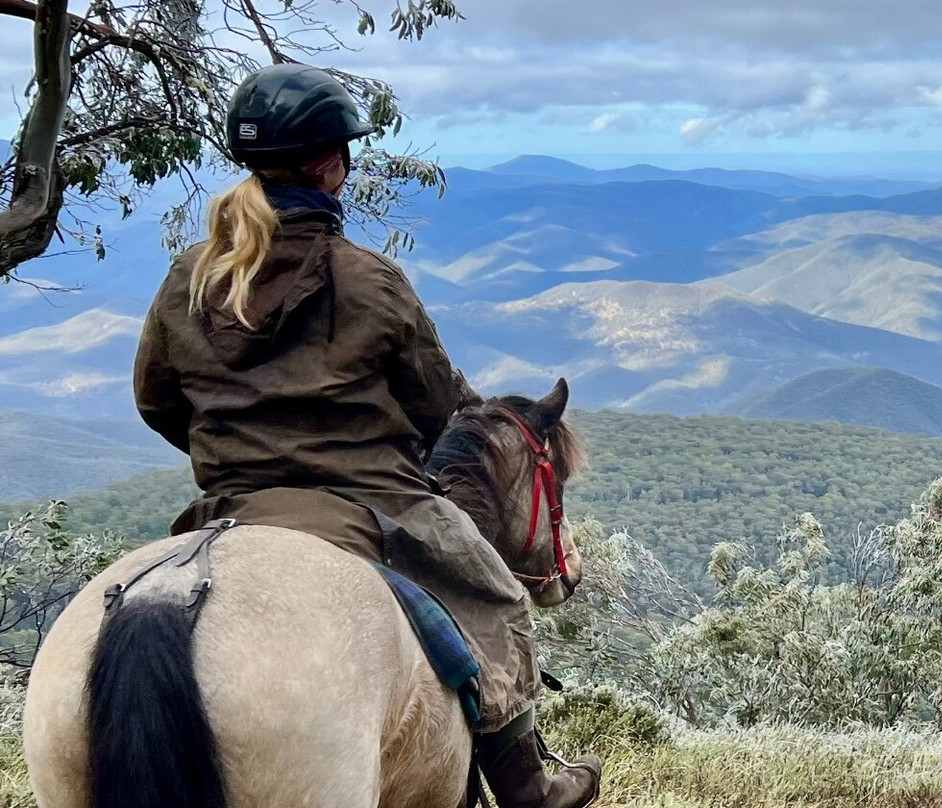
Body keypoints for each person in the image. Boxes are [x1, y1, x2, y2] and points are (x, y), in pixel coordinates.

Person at [133, 63, 601, 808]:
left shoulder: (190, 276)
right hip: (371, 502)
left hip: (231, 507)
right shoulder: (370, 278)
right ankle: (529, 786)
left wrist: (238, 454)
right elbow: (436, 405)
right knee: (496, 599)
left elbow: (157, 401)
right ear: (330, 166)